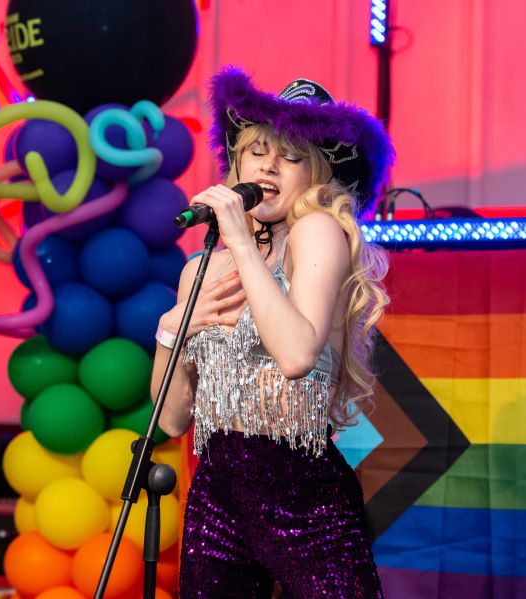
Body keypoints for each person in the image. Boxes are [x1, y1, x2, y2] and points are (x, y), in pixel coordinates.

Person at [150, 66, 394, 598]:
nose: (269, 166)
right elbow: (169, 421)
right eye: (258, 150)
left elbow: (297, 354)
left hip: (299, 488)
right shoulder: (201, 271)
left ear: (317, 174)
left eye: (291, 156)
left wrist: (239, 238)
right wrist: (172, 330)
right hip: (217, 492)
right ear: (236, 160)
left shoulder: (318, 232)